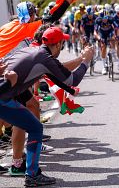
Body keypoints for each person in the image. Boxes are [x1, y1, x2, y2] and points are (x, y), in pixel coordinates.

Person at [0, 26, 94, 186]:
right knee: (35, 128)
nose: (62, 48)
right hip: (3, 96)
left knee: (29, 122)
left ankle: (27, 169)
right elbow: (71, 81)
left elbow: (61, 76)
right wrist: (85, 61)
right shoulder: (44, 58)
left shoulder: (33, 51)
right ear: (57, 45)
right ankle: (31, 175)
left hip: (7, 92)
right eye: (62, 45)